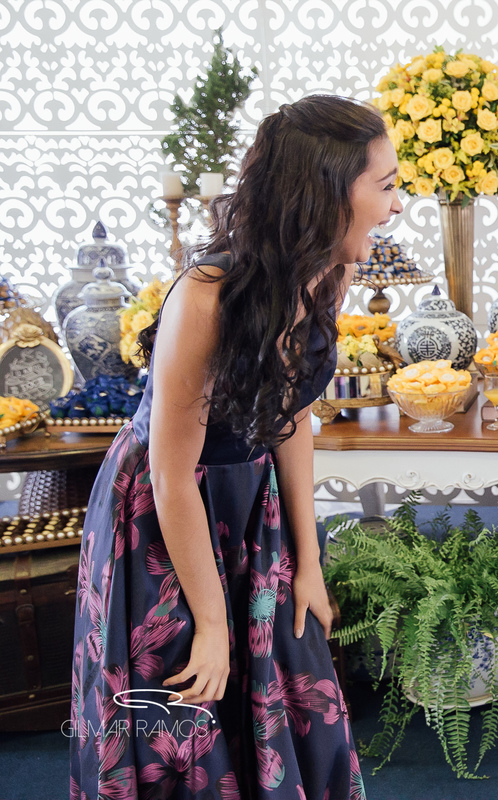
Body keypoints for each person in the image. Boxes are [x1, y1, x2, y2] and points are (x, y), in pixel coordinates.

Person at [69, 94, 403, 799]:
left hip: (254, 505)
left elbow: (294, 417)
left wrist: (309, 561)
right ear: (325, 192)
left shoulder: (330, 271)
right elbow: (171, 475)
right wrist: (213, 621)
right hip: (163, 514)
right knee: (185, 708)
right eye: (386, 185)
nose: (396, 205)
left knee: (294, 681)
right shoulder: (206, 296)